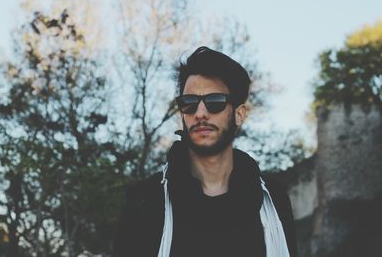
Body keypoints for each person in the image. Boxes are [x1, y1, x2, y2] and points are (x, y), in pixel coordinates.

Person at [114, 46, 297, 257]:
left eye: (215, 102)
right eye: (189, 103)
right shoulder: (146, 201)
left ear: (239, 114)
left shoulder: (273, 201)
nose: (201, 113)